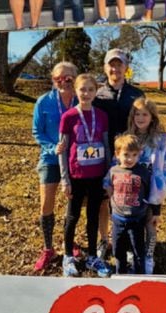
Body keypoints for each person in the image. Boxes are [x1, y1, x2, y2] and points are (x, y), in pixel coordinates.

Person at [59, 73, 112, 278]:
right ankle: (67, 256)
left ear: (95, 91)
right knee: (72, 217)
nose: (86, 93)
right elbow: (62, 149)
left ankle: (92, 256)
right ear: (75, 91)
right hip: (76, 175)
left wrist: (107, 176)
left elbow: (106, 146)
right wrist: (65, 179)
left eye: (91, 89)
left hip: (97, 175)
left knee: (92, 217)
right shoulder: (69, 117)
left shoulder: (102, 116)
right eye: (82, 89)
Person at [94, 49, 144, 261]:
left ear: (126, 68)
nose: (115, 69)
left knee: (130, 198)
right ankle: (104, 239)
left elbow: (144, 122)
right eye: (111, 65)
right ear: (105, 68)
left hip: (129, 157)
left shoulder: (136, 94)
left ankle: (130, 245)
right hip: (104, 154)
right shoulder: (97, 95)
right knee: (104, 199)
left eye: (119, 64)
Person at [32, 62, 79, 271]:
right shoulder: (43, 102)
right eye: (58, 78)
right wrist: (53, 148)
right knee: (46, 204)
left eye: (68, 78)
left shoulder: (82, 100)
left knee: (73, 204)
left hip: (75, 161)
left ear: (75, 79)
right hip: (50, 159)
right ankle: (48, 248)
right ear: (53, 80)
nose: (63, 82)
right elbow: (37, 132)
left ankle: (70, 242)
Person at [125, 97, 166, 274]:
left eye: (145, 114)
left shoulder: (161, 140)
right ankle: (133, 256)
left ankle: (148, 257)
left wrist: (162, 186)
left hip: (152, 192)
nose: (140, 118)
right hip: (131, 193)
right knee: (133, 227)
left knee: (150, 226)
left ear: (152, 117)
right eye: (137, 114)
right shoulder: (127, 138)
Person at [104, 134, 155, 274]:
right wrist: (114, 200)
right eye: (126, 154)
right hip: (118, 220)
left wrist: (146, 208)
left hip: (136, 220)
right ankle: (120, 274)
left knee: (138, 251)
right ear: (117, 154)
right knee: (118, 250)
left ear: (139, 155)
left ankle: (139, 277)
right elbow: (108, 186)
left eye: (134, 155)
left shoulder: (143, 172)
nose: (130, 159)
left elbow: (149, 191)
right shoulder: (113, 171)